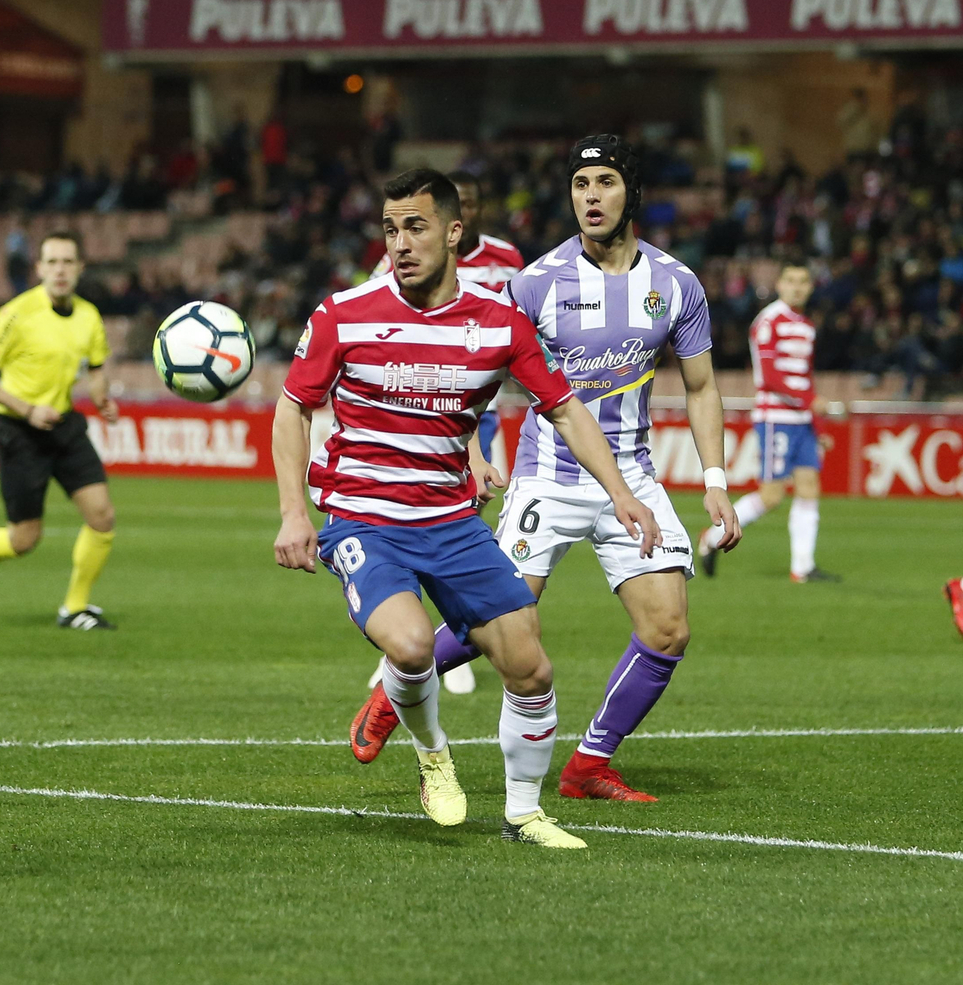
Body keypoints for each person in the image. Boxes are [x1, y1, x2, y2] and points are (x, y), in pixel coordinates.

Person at [276, 167, 662, 848]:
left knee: (530, 665)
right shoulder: (344, 314)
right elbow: (292, 407)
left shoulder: (498, 323)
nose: (400, 243)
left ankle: (524, 814)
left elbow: (566, 410)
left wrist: (622, 493)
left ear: (455, 232)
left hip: (453, 524)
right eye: (390, 229)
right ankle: (433, 753)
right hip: (365, 518)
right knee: (412, 643)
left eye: (416, 227)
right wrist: (293, 513)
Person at [348, 137, 741, 805]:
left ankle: (589, 765)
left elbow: (701, 388)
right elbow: (479, 373)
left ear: (631, 193)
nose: (590, 196)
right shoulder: (536, 282)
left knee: (668, 628)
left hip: (633, 475)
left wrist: (715, 483)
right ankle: (393, 689)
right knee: (497, 619)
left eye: (605, 182)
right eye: (580, 183)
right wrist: (471, 450)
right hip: (547, 477)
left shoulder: (676, 284)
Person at [366, 170, 526, 693]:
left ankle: (433, 643)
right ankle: (411, 645)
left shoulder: (507, 258)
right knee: (418, 516)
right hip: (419, 406)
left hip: (483, 404)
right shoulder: (404, 265)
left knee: (464, 515)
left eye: (477, 202)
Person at [0, 232, 121, 630]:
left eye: (68, 262)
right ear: (39, 269)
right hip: (20, 431)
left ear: (80, 268)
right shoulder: (17, 313)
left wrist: (101, 398)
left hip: (63, 425)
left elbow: (96, 366)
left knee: (102, 516)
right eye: (52, 262)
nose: (60, 270)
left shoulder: (88, 316)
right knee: (24, 540)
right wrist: (27, 410)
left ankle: (75, 608)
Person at [699, 264, 839, 583]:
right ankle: (710, 538)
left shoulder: (806, 326)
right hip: (775, 418)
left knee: (809, 488)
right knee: (771, 495)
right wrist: (809, 403)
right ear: (779, 284)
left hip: (801, 421)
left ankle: (803, 567)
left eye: (803, 281)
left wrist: (818, 425)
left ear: (811, 287)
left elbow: (804, 378)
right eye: (790, 281)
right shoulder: (769, 321)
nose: (797, 287)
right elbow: (770, 376)